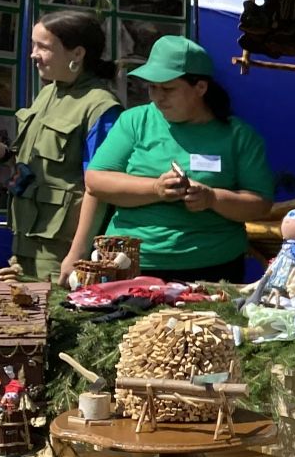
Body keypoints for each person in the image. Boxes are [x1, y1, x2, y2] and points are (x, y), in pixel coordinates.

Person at [85, 37, 274, 283]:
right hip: (131, 263)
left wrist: (212, 198)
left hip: (213, 269)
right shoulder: (134, 121)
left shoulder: (238, 135)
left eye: (168, 89)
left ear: (201, 88)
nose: (157, 97)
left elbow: (260, 204)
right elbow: (96, 180)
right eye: (152, 87)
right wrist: (155, 189)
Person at [0, 10, 121, 281]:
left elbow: (100, 188)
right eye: (33, 45)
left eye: (43, 47)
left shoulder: (101, 107)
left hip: (61, 253)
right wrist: (2, 155)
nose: (33, 54)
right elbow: (41, 171)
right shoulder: (48, 93)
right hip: (25, 244)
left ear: (77, 54)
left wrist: (77, 254)